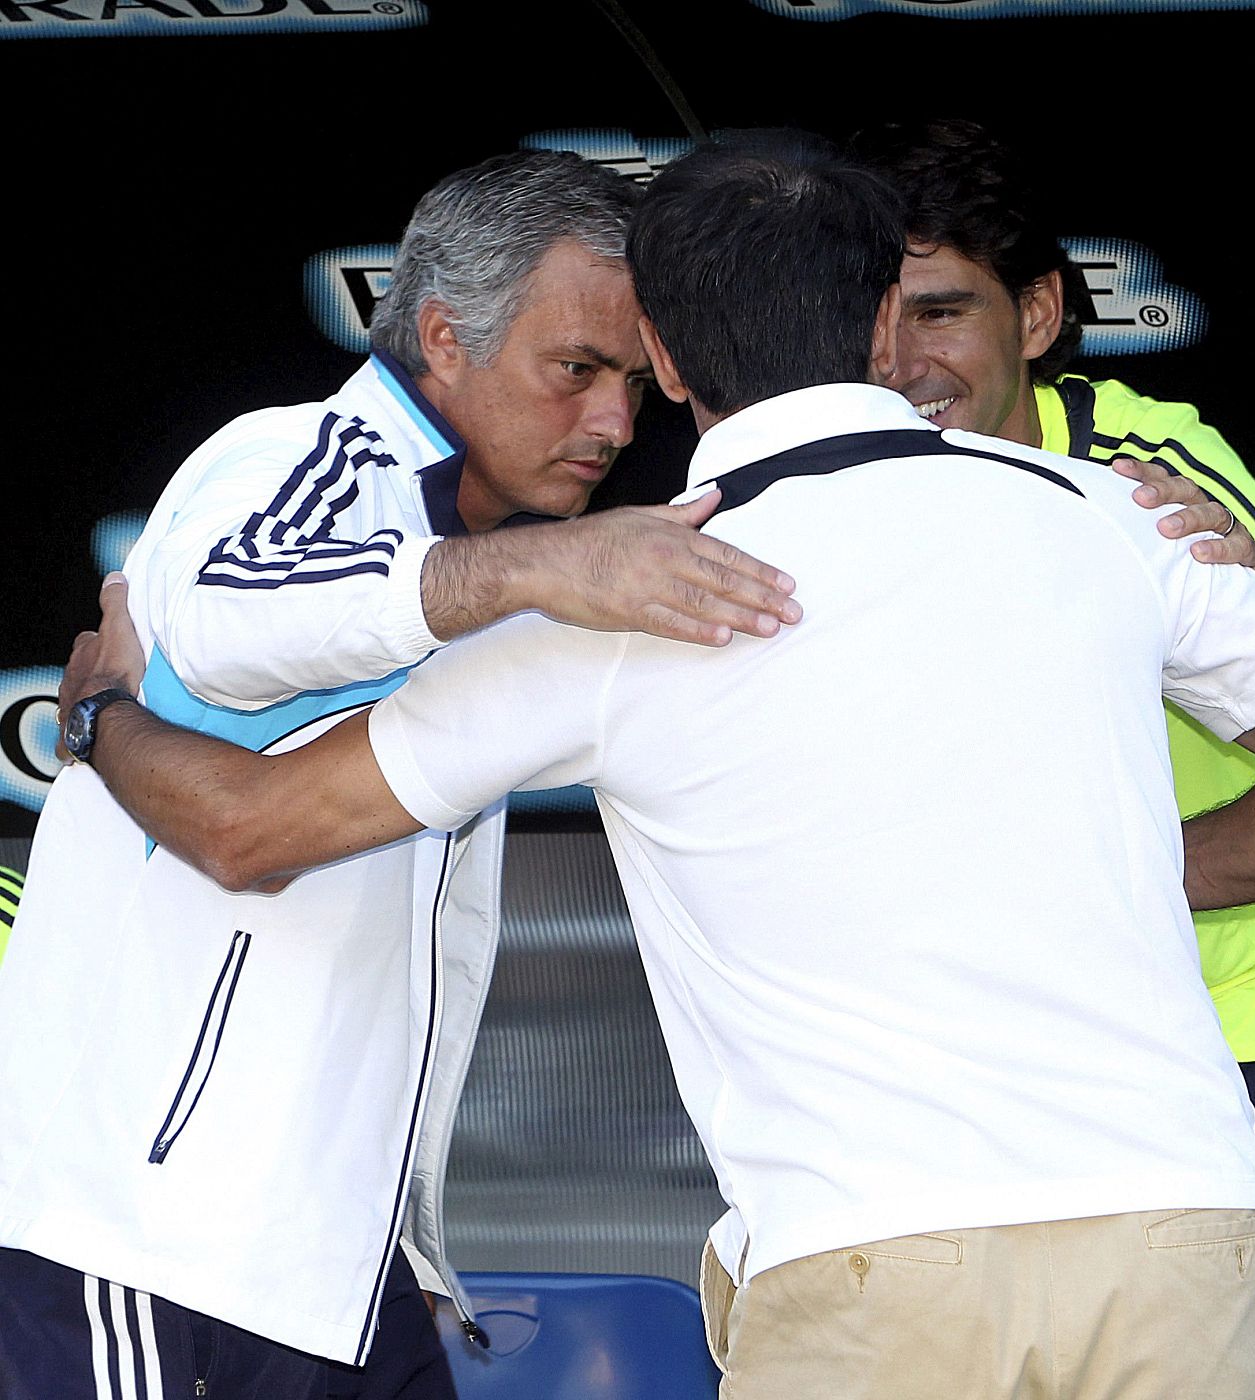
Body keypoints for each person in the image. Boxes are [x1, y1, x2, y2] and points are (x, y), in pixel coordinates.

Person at [52, 130, 1255, 1400]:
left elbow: (248, 829)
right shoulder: (1110, 522)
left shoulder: (625, 600)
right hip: (1183, 1239)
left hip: (869, 1271)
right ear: (875, 334)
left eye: (626, 373)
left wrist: (103, 717)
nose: (612, 416)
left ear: (670, 361)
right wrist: (1124, 870)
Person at [0, 149, 807, 1399]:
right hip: (144, 1241)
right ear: (442, 332)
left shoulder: (475, 549)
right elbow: (225, 615)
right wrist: (535, 572)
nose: (612, 422)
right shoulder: (296, 460)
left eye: (636, 386)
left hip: (337, 1259)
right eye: (577, 370)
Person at [854, 116, 1255, 1400]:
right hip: (968, 1059)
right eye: (870, 317)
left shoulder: (1151, 484)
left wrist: (1105, 876)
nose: (898, 362)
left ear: (1037, 314)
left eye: (940, 313)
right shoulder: (838, 490)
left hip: (1223, 1036)